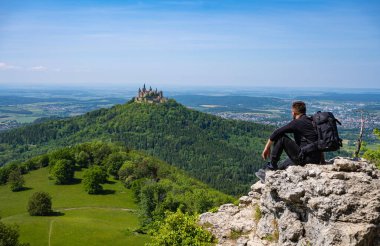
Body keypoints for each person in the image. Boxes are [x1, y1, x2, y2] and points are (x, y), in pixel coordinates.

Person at [255, 101, 324, 182]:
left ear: (294, 113)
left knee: (281, 138)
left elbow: (277, 133)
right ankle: (274, 175)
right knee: (284, 164)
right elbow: (318, 142)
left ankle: (271, 167)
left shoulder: (297, 122)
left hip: (306, 158)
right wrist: (321, 161)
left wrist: (267, 147)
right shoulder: (311, 121)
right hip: (315, 158)